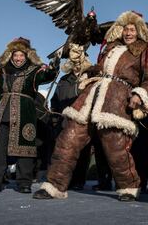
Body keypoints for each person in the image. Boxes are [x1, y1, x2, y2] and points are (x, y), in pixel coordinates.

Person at [33, 11, 148, 201]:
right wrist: (87, 71)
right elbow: (99, 69)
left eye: (132, 29)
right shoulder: (109, 49)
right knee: (67, 139)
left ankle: (129, 187)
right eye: (125, 29)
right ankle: (54, 185)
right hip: (89, 99)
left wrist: (140, 94)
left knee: (115, 147)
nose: (128, 33)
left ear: (139, 31)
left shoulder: (145, 52)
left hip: (117, 101)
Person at [0, 37, 58, 193]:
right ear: (11, 56)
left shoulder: (35, 71)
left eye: (21, 55)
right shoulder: (2, 70)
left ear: (27, 56)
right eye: (16, 55)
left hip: (24, 113)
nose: (18, 58)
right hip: (1, 113)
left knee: (24, 149)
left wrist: (53, 67)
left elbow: (47, 77)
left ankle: (24, 183)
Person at [49, 43, 96, 190]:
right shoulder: (64, 80)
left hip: (83, 121)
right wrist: (55, 119)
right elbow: (56, 99)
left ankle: (78, 180)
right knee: (63, 153)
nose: (77, 64)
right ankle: (62, 180)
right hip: (64, 121)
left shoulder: (92, 78)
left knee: (82, 154)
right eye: (74, 61)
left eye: (80, 61)